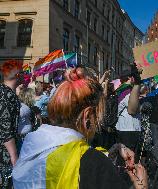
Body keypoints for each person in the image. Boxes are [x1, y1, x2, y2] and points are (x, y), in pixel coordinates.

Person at [12, 68, 148, 189]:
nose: (99, 122)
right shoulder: (93, 163)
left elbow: (65, 156)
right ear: (88, 115)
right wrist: (141, 185)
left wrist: (110, 152)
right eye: (100, 115)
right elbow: (83, 162)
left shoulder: (31, 143)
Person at [0, 60, 23, 188]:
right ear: (18, 75)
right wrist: (14, 158)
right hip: (5, 154)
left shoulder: (7, 92)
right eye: (23, 73)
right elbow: (5, 128)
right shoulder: (6, 95)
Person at [115, 69, 141, 153]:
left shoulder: (119, 90)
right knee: (130, 159)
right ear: (131, 78)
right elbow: (132, 110)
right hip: (130, 129)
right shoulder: (128, 91)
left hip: (121, 127)